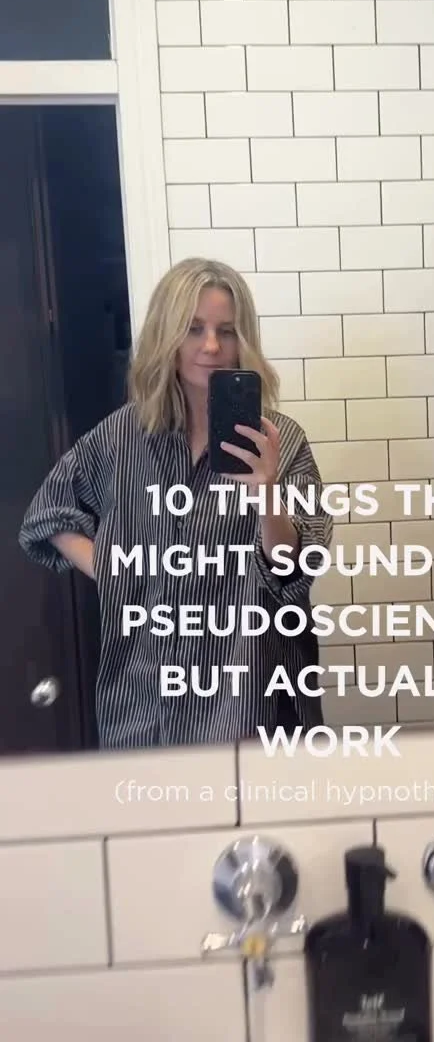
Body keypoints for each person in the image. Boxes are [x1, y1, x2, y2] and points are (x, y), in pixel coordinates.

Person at [19, 258, 333, 749]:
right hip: (145, 699)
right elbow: (48, 512)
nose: (211, 346)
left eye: (226, 331)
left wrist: (266, 491)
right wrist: (114, 570)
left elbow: (295, 568)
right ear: (166, 336)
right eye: (193, 329)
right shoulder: (123, 437)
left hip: (250, 695)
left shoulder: (281, 440)